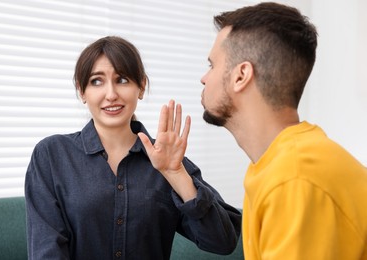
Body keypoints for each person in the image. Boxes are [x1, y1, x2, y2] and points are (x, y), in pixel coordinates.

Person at [24, 36, 241, 259]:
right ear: (82, 91)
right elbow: (46, 250)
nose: (111, 94)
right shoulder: (51, 155)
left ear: (141, 86)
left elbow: (222, 241)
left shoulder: (166, 159)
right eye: (96, 81)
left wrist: (177, 175)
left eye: (123, 79)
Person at [198, 2, 367, 259]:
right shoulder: (277, 164)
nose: (204, 78)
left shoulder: (293, 178)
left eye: (212, 65)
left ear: (241, 75)